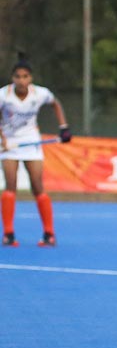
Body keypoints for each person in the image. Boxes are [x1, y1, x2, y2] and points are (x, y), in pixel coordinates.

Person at [0, 53, 72, 247]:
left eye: (25, 77)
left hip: (32, 143)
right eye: (17, 77)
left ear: (30, 78)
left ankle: (49, 233)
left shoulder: (40, 93)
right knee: (10, 185)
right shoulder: (3, 95)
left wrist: (63, 127)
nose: (21, 81)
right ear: (12, 78)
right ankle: (8, 234)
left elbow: (55, 104)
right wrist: (3, 138)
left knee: (37, 185)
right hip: (10, 145)